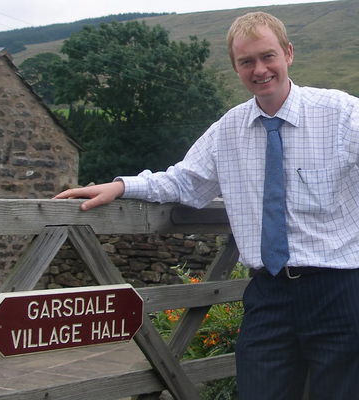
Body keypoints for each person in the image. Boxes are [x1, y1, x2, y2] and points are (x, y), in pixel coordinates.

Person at [54, 11, 359, 400]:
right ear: (235, 67)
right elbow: (184, 179)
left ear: (288, 53)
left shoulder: (341, 114)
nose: (260, 69)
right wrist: (120, 186)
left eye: (268, 57)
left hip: (339, 291)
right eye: (246, 61)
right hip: (268, 295)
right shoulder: (227, 129)